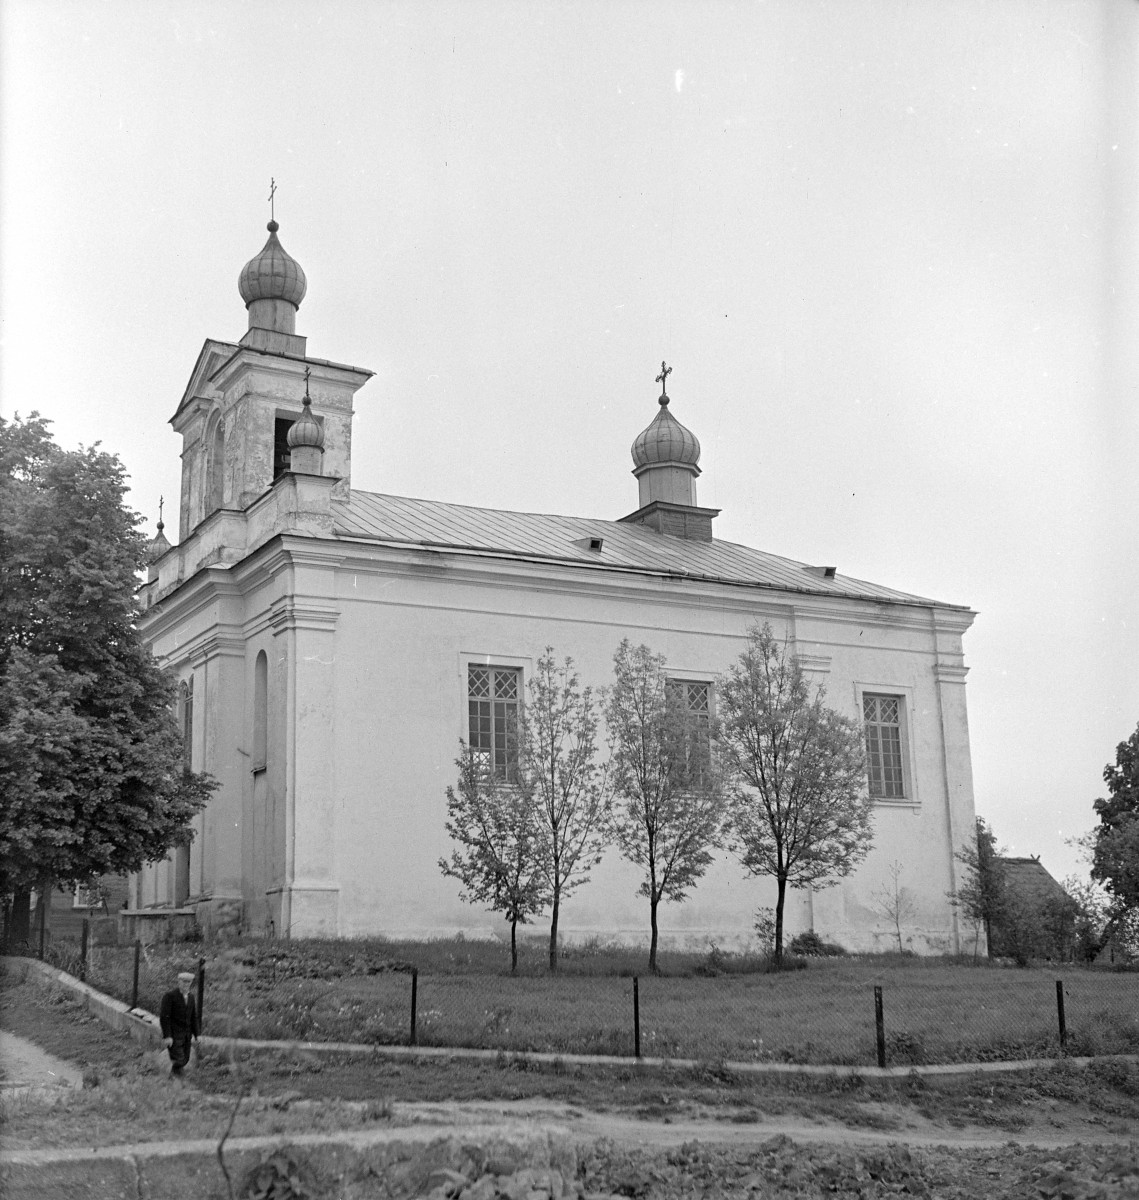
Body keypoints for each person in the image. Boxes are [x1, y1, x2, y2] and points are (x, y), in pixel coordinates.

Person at [159, 970, 200, 1077]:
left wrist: (197, 1035)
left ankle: (172, 1079)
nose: (186, 984)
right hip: (174, 1035)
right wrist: (167, 1036)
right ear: (179, 982)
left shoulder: (191, 997)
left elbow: (193, 1017)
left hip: (187, 1035)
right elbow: (164, 1017)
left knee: (185, 1060)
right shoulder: (170, 996)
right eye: (184, 982)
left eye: (188, 982)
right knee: (179, 1059)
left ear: (191, 983)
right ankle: (179, 1082)